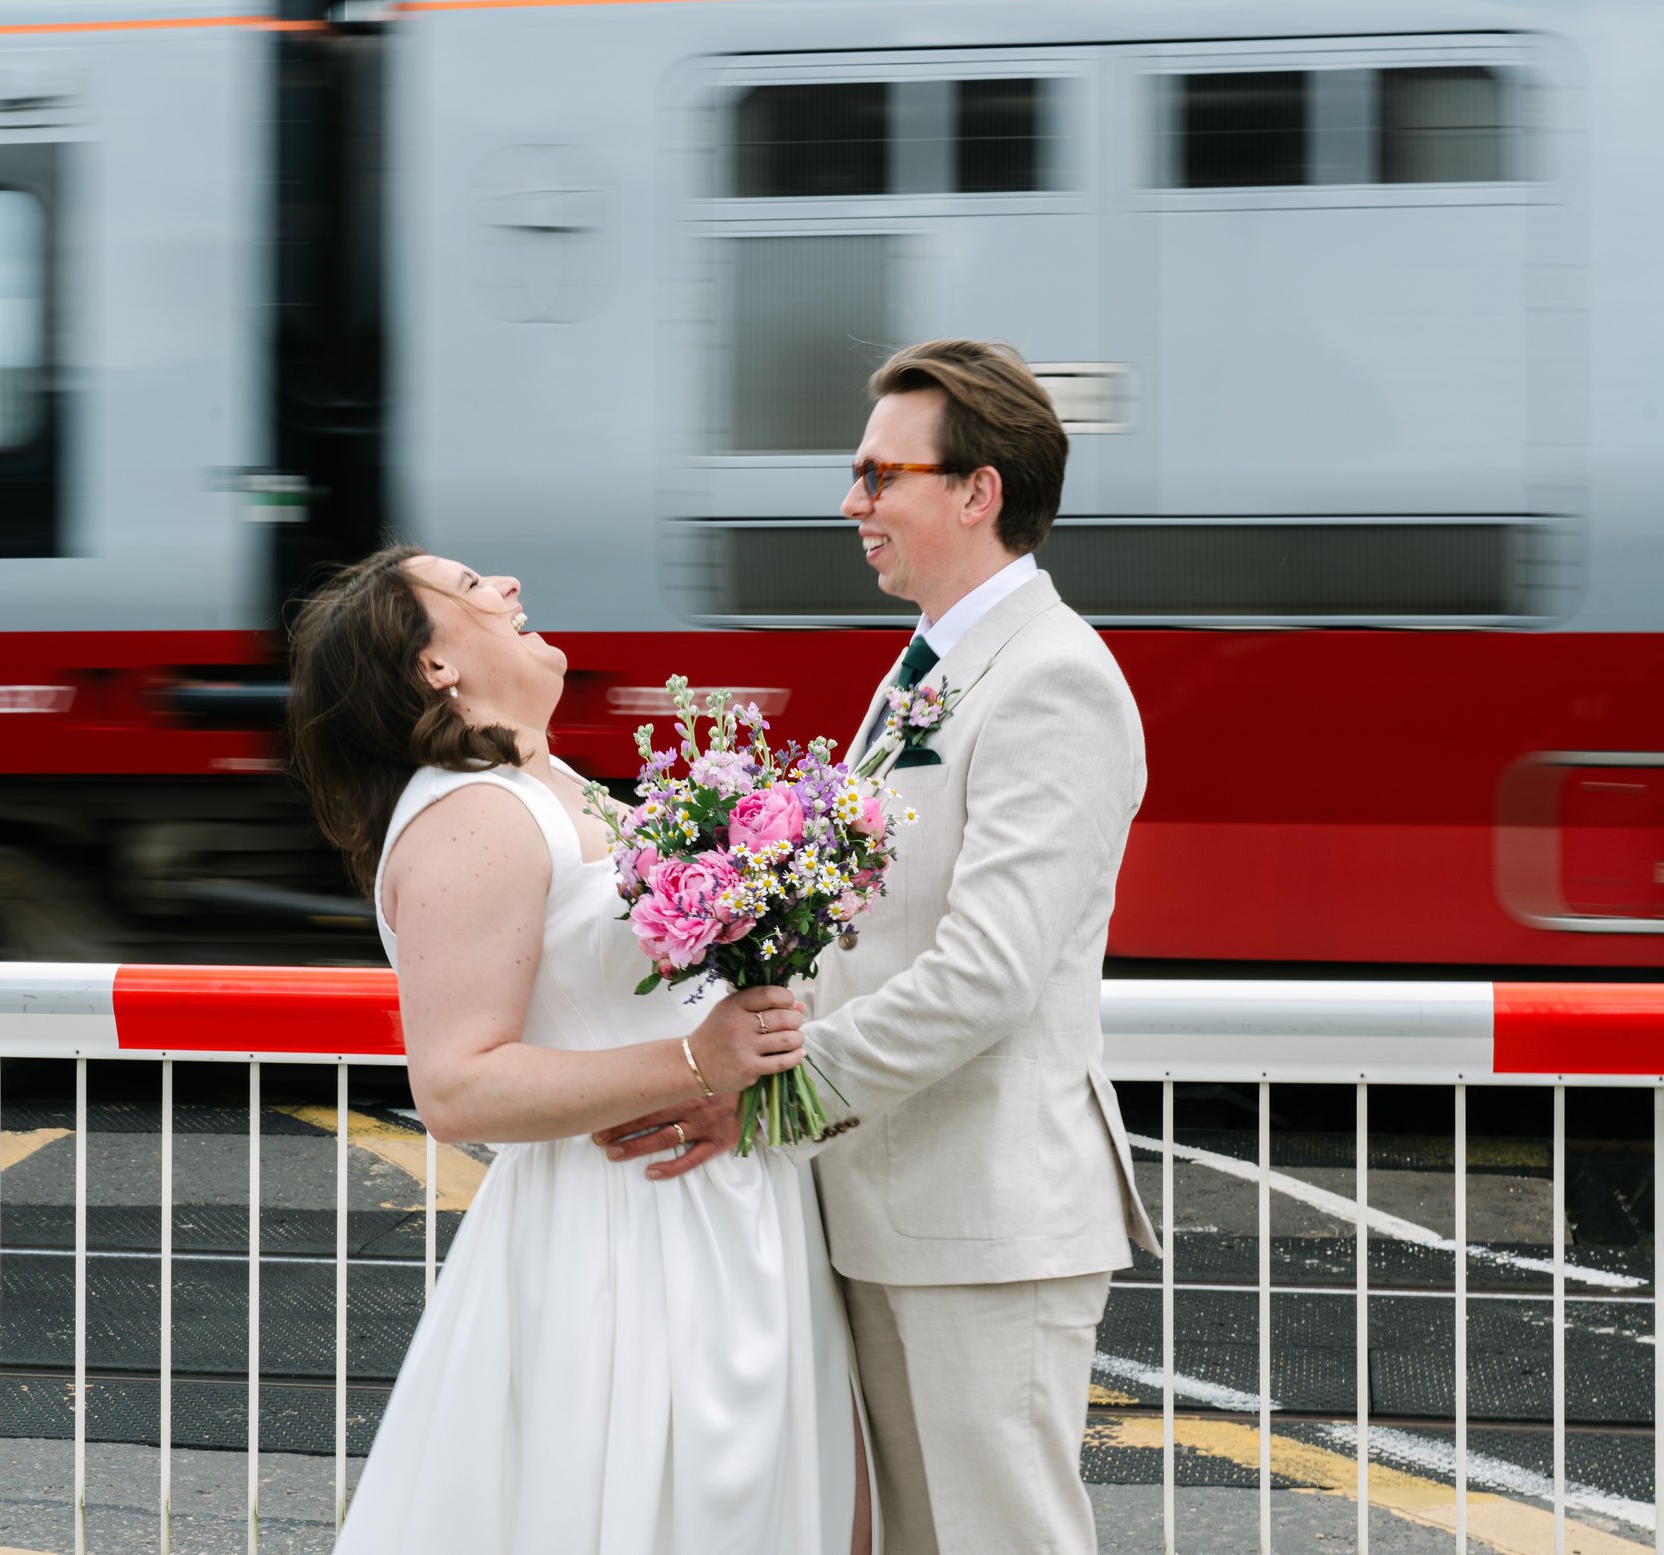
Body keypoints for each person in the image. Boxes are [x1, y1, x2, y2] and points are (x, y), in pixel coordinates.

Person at [601, 339, 1158, 1554]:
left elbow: (987, 973)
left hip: (985, 1214)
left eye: (876, 475)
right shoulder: (931, 667)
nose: (851, 505)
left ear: (977, 490)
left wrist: (766, 1099)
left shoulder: (1053, 679)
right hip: (899, 1202)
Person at [286, 545, 871, 1555]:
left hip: (714, 1216)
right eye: (472, 589)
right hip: (619, 1241)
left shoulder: (558, 788)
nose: (509, 585)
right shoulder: (472, 815)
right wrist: (701, 1062)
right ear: (434, 667)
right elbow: (459, 1084)